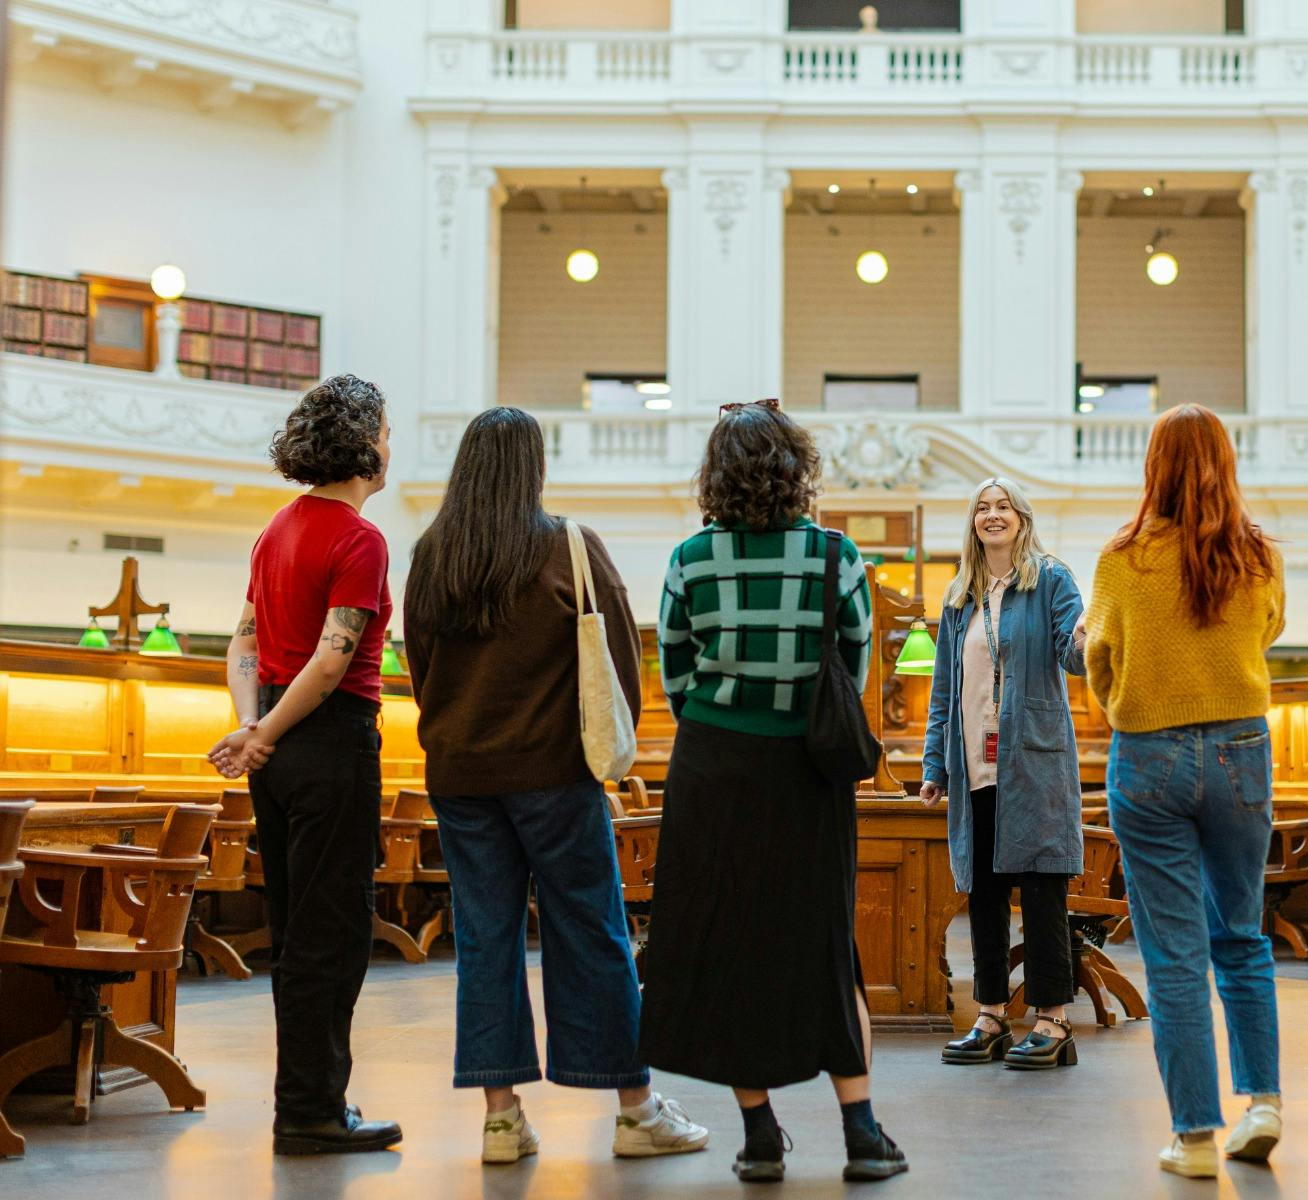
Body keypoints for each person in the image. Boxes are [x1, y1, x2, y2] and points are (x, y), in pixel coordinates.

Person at [400, 406, 708, 1165]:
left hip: (461, 777)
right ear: (534, 467)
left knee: (484, 939)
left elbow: (419, 666)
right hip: (555, 776)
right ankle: (635, 1109)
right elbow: (619, 668)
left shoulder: (434, 553)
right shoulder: (568, 546)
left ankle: (501, 1120)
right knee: (591, 931)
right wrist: (612, 747)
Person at [638, 401, 907, 1184]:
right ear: (797, 471)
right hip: (806, 773)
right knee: (823, 945)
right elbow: (854, 668)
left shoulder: (691, 557)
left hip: (713, 771)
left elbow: (677, 677)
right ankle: (862, 1135)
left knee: (727, 946)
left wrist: (727, 720)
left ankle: (759, 1137)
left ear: (716, 475)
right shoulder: (836, 555)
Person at [1083, 403, 1286, 1179]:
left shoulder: (1121, 559)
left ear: (1154, 467)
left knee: (1173, 955)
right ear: (1226, 463)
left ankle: (1195, 1137)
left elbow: (1101, 656)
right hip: (1241, 748)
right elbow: (1267, 630)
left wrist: (1131, 694)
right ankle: (1263, 1104)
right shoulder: (1259, 555)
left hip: (1149, 757)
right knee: (1241, 934)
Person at [208, 374, 402, 1155]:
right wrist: (265, 731)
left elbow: (245, 644)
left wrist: (254, 727)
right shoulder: (360, 539)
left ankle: (304, 1102)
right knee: (335, 931)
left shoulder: (274, 530)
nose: (390, 446)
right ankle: (315, 1111)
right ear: (362, 442)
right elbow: (332, 662)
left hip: (280, 750)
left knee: (294, 930)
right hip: (331, 741)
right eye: (385, 431)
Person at [918, 477, 1086, 1070]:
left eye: (1003, 507)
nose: (993, 515)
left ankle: (1051, 1020)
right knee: (983, 894)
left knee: (1041, 889)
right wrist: (934, 763)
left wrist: (1094, 636)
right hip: (973, 766)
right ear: (972, 523)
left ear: (1022, 518)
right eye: (982, 508)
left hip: (1033, 760)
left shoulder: (1051, 580)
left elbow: (1074, 654)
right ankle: (990, 1015)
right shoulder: (959, 594)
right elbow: (944, 690)